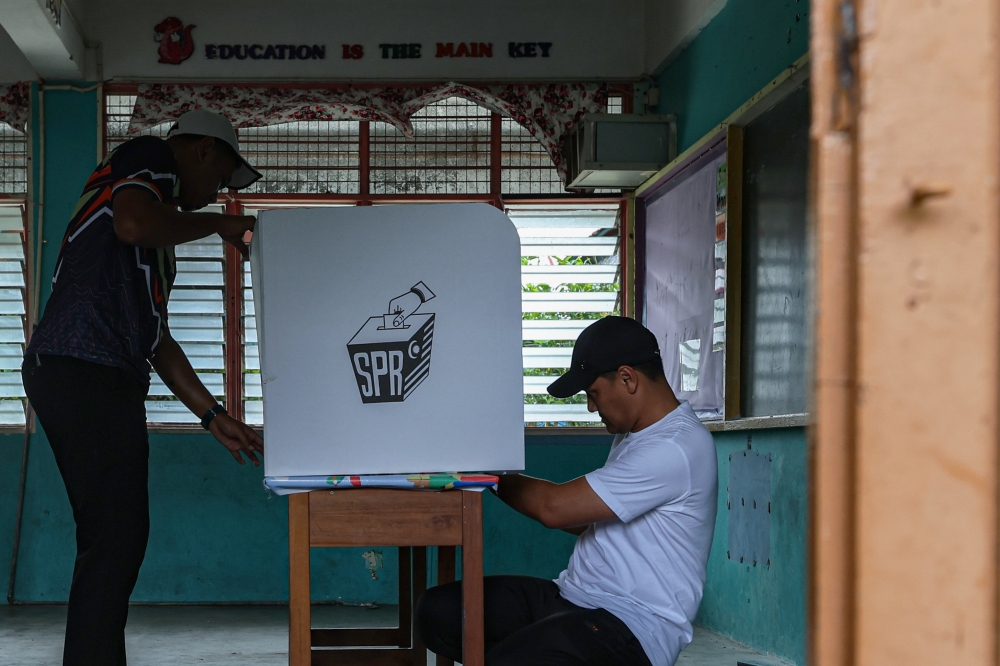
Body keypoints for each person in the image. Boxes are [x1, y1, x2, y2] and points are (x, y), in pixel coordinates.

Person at [21, 110, 266, 666]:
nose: (223, 191)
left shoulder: (159, 245)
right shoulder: (149, 157)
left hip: (92, 372)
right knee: (115, 539)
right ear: (202, 150)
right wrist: (225, 226)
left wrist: (212, 416)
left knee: (116, 538)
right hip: (81, 366)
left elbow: (156, 338)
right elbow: (131, 222)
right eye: (225, 174)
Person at [415, 316, 718, 666]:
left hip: (632, 627)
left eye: (593, 394)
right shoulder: (637, 434)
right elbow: (580, 517)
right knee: (440, 612)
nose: (591, 407)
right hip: (574, 597)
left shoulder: (673, 447)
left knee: (509, 659)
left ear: (627, 378)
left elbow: (554, 509)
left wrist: (488, 473)